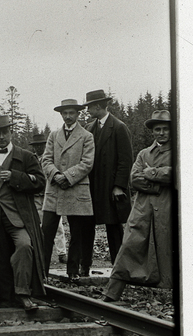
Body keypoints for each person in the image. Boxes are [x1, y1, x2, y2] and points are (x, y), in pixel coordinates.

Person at [0, 115, 47, 309]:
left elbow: (40, 182)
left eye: (5, 132)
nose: (2, 137)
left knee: (24, 246)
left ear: (11, 132)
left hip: (19, 218)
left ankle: (23, 293)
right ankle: (3, 297)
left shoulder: (26, 157)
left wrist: (16, 177)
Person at [103, 110, 174, 301]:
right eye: (157, 129)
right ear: (152, 132)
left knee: (166, 250)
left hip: (167, 211)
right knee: (129, 246)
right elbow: (134, 179)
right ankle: (111, 293)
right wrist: (159, 183)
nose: (161, 133)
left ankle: (167, 295)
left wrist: (151, 173)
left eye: (165, 129)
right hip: (142, 210)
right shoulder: (144, 154)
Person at [40, 98, 97, 280]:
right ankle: (41, 273)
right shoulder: (53, 135)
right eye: (65, 113)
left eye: (71, 113)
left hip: (76, 189)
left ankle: (73, 271)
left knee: (76, 234)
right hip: (55, 190)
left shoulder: (87, 136)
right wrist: (56, 175)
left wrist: (67, 176)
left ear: (78, 114)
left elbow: (87, 163)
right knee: (46, 231)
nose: (68, 116)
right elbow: (45, 160)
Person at [82, 90, 133, 264]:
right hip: (92, 187)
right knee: (87, 226)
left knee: (113, 227)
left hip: (110, 188)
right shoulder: (89, 128)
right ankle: (84, 266)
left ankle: (118, 267)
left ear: (97, 106)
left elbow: (126, 160)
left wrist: (119, 186)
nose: (87, 110)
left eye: (89, 107)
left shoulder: (119, 127)